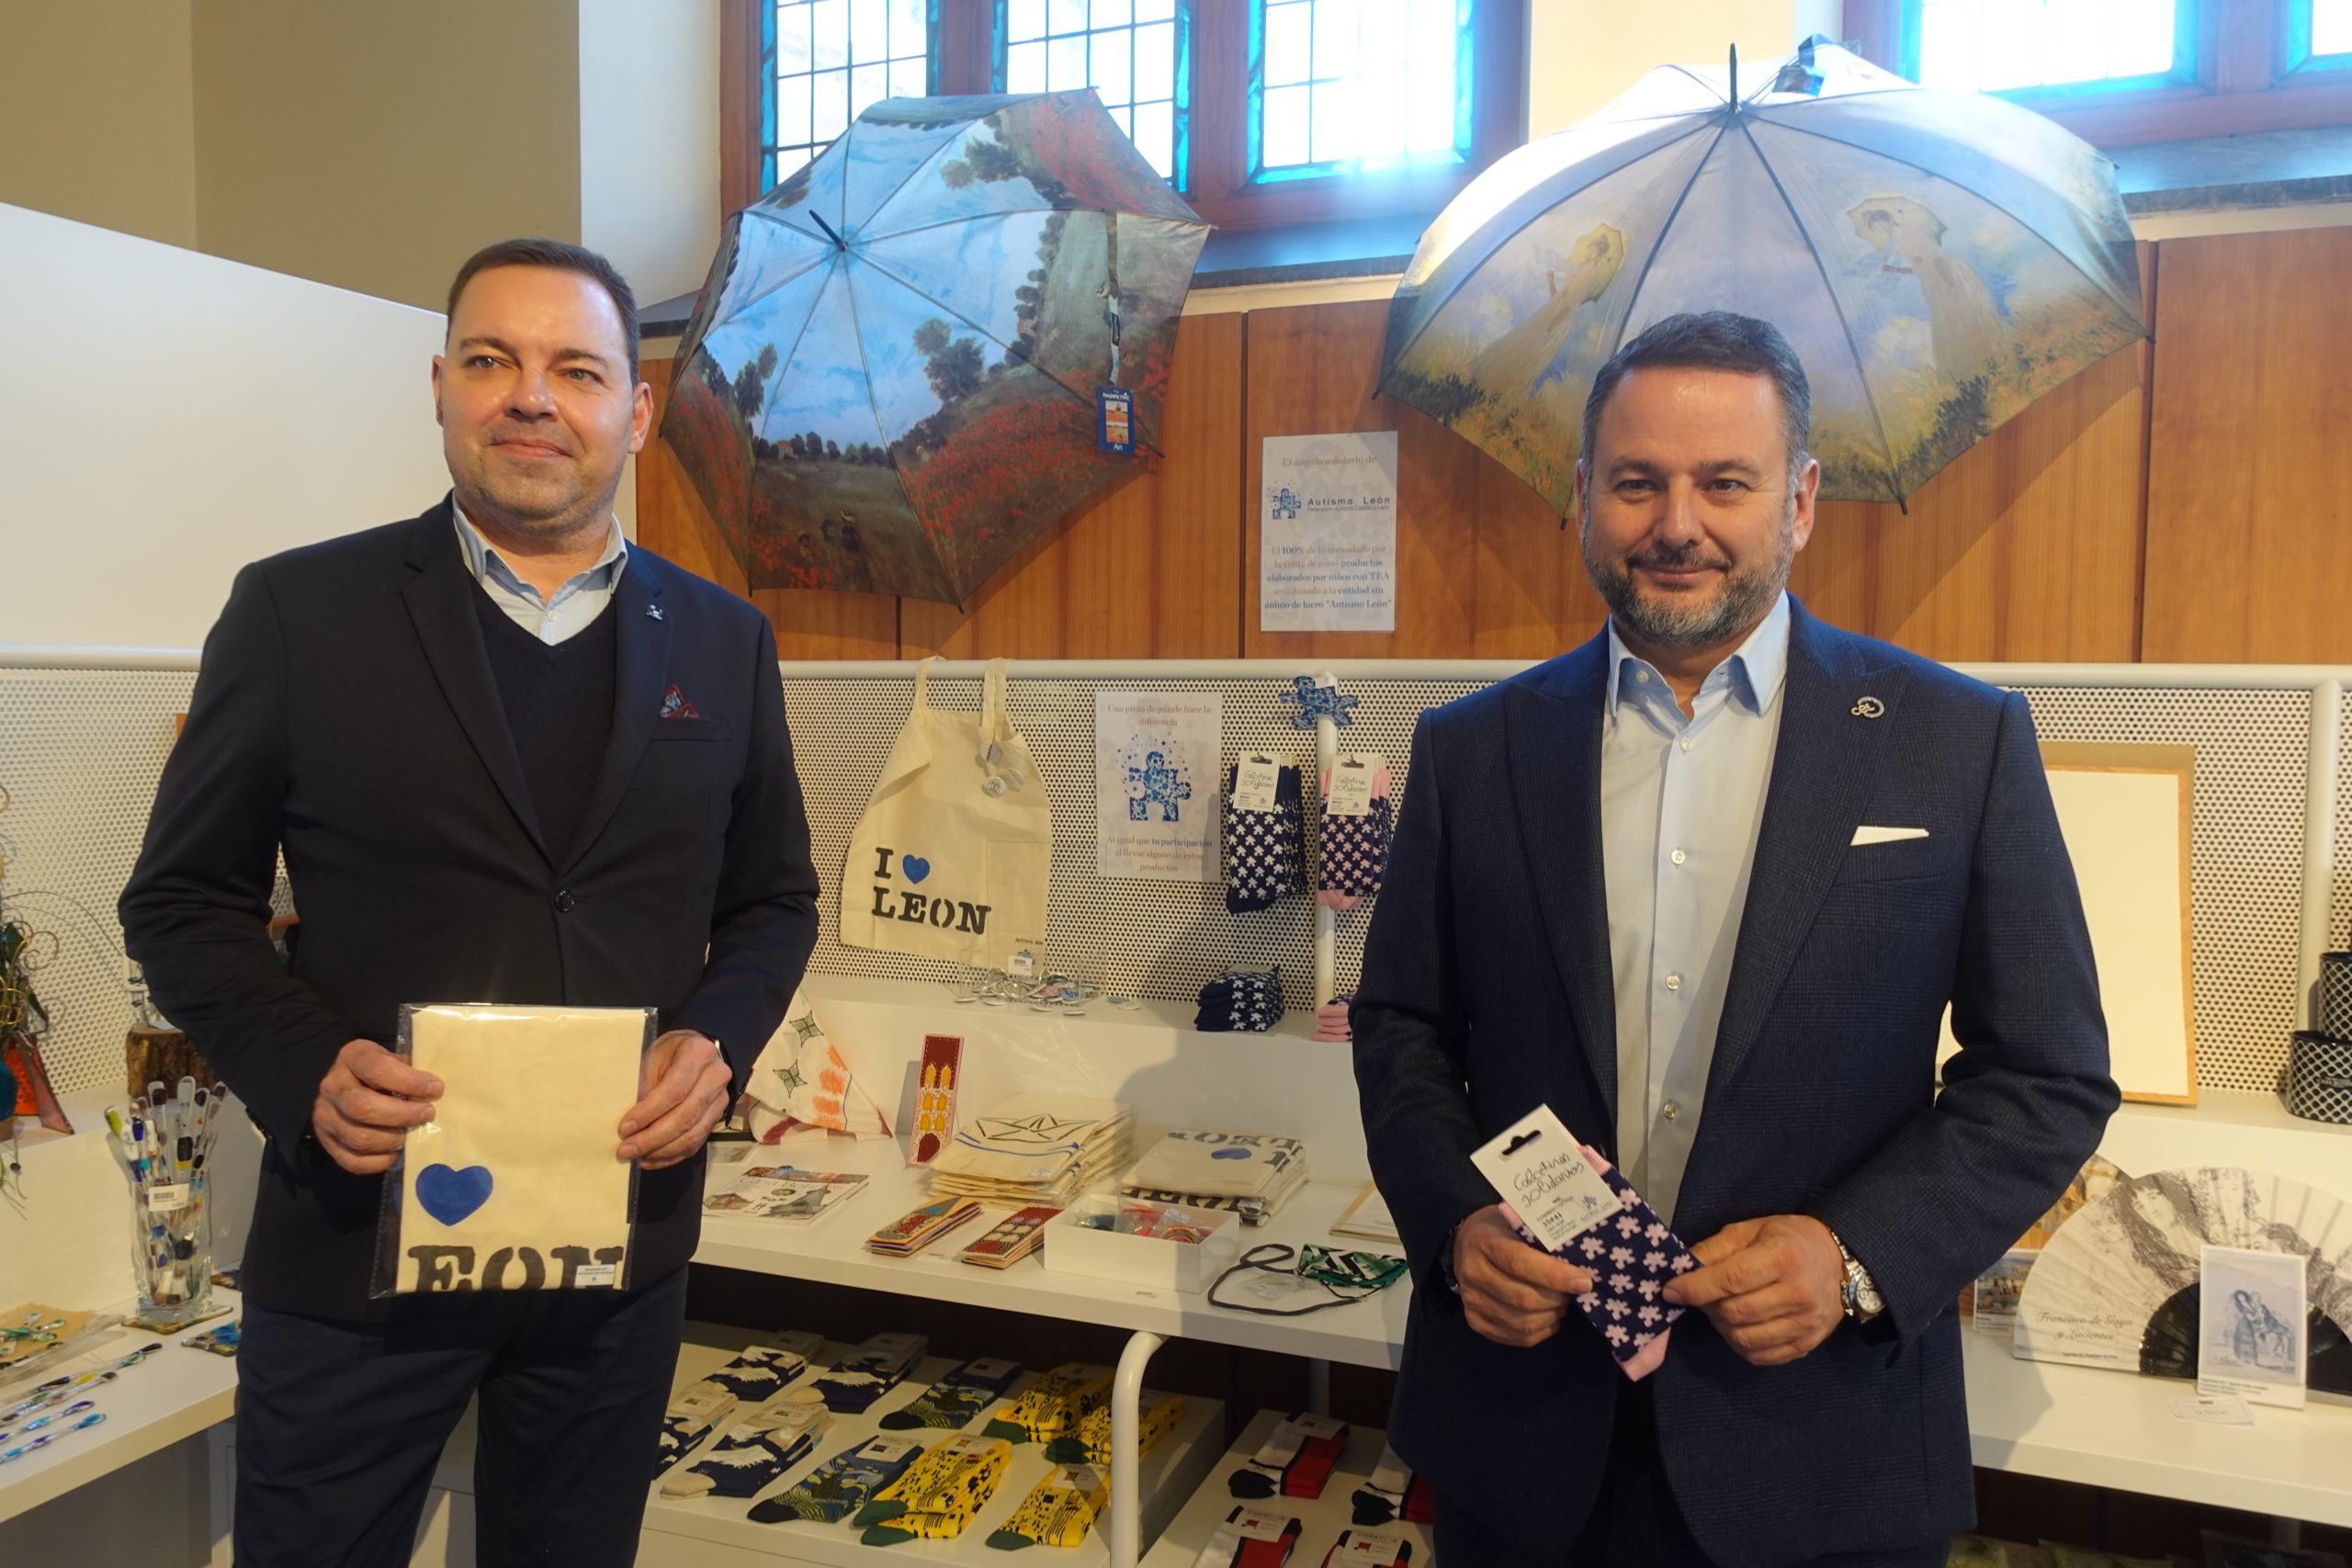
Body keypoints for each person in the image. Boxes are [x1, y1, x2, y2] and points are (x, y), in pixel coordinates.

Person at [1351, 310, 2115, 1568]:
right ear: (1583, 497)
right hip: (1523, 1431)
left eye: (1725, 483)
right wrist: (1452, 1227)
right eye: (1637, 483)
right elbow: (1402, 1028)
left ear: (1800, 500)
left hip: (1821, 1447)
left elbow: (2047, 1073)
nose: (1678, 525)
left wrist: (1855, 1256)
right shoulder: (1471, 748)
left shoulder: (1956, 741)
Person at [119, 237, 820, 1568]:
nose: (532, 397)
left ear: (635, 411)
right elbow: (182, 901)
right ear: (440, 385)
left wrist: (718, 1039)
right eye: (493, 361)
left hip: (617, 1247)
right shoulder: (299, 612)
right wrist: (306, 1068)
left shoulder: (723, 639)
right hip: (358, 1247)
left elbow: (775, 899)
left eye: (577, 370)